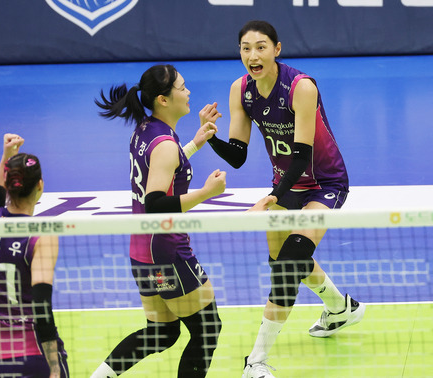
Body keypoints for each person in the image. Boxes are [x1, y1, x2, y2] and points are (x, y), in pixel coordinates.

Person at [205, 20, 365, 377]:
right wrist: (210, 137)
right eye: (246, 48)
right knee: (284, 262)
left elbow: (302, 157)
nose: (253, 55)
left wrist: (269, 198)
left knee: (290, 262)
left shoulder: (300, 87)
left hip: (323, 182)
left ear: (277, 49)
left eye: (261, 47)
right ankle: (342, 308)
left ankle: (255, 362)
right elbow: (238, 154)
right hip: (284, 184)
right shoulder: (241, 90)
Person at [90, 64, 226, 378]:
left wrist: (194, 143)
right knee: (208, 329)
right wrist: (207, 192)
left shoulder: (146, 129)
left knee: (162, 333)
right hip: (168, 254)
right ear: (164, 99)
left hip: (141, 254)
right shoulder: (165, 144)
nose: (188, 91)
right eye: (181, 87)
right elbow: (155, 204)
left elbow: (164, 169)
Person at [0, 134, 69, 377]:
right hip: (30, 355)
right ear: (40, 185)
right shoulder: (40, 236)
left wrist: (6, 157)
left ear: (8, 183)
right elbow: (42, 307)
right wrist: (53, 365)